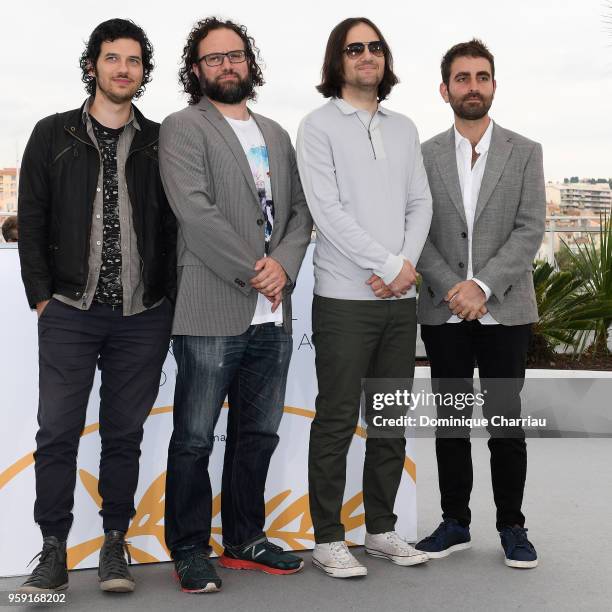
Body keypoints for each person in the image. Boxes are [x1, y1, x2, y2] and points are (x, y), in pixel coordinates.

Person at [17, 18, 176, 593]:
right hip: (69, 310)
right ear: (93, 65)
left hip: (143, 314)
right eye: (112, 58)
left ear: (142, 71)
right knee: (57, 431)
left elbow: (175, 223)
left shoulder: (161, 139)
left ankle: (115, 544)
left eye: (133, 61)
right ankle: (53, 549)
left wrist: (171, 301)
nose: (123, 69)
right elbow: (31, 217)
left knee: (123, 434)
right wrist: (41, 297)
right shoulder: (52, 133)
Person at [159, 17, 312, 593]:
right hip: (211, 307)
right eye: (214, 58)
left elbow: (300, 213)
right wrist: (258, 271)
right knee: (195, 436)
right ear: (196, 69)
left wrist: (285, 267)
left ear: (250, 62)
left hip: (273, 313)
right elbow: (194, 212)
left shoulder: (275, 131)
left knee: (259, 433)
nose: (227, 65)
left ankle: (246, 537)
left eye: (236, 55)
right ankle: (189, 547)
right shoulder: (183, 127)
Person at [297, 17, 432, 578]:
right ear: (337, 61)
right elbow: (326, 213)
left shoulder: (403, 127)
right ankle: (329, 537)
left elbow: (420, 204)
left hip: (398, 303)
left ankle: (380, 529)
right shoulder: (317, 126)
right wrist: (386, 264)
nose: (367, 56)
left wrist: (402, 268)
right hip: (343, 298)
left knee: (389, 418)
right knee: (333, 420)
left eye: (375, 47)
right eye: (355, 49)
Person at [415, 39, 545, 569]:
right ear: (445, 89)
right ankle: (455, 522)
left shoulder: (525, 150)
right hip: (444, 310)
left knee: (505, 424)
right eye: (463, 78)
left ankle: (513, 526)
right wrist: (454, 287)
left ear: (494, 85)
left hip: (505, 309)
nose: (474, 86)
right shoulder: (421, 155)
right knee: (450, 422)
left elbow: (530, 229)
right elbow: (415, 231)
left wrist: (483, 287)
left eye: (482, 76)